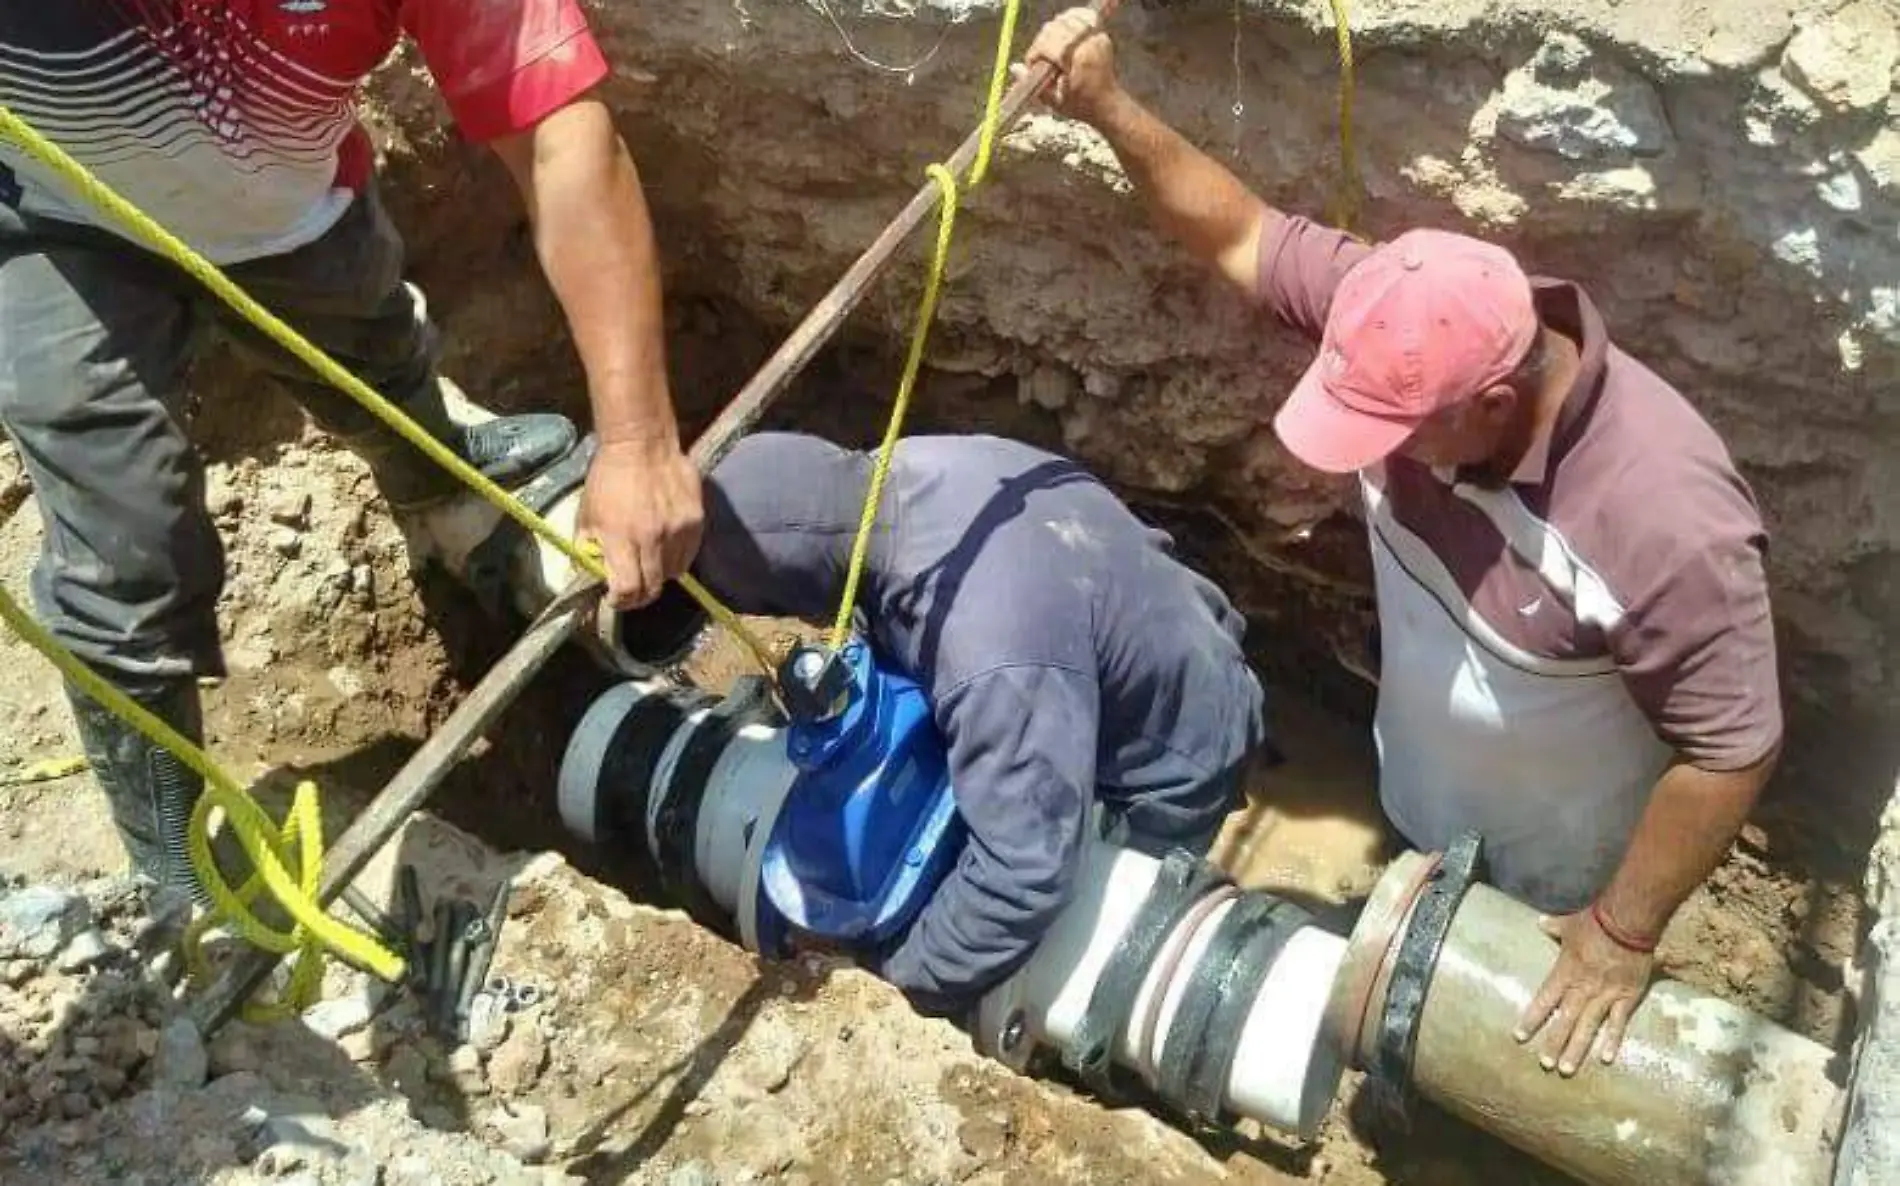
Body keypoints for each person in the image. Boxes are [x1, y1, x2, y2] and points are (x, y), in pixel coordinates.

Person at [1019, 9, 1783, 1077]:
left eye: (1394, 434)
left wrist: (1617, 934)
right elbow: (1237, 231)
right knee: (1415, 860)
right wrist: (1104, 105)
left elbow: (1730, 747)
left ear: (1496, 399)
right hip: (1426, 773)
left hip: (1558, 853)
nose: (1366, 454)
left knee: (1494, 1037)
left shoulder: (1661, 520)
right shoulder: (1403, 321)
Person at [0, 2, 704, 900]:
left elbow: (559, 135)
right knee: (126, 547)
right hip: (55, 223)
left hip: (285, 210)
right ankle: (174, 880)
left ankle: (445, 501)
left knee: (379, 378)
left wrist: (641, 442)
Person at [693, 430, 1271, 1015]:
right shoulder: (908, 466)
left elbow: (1023, 876)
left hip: (1177, 754)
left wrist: (891, 986)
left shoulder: (989, 655)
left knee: (1116, 961)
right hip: (1160, 629)